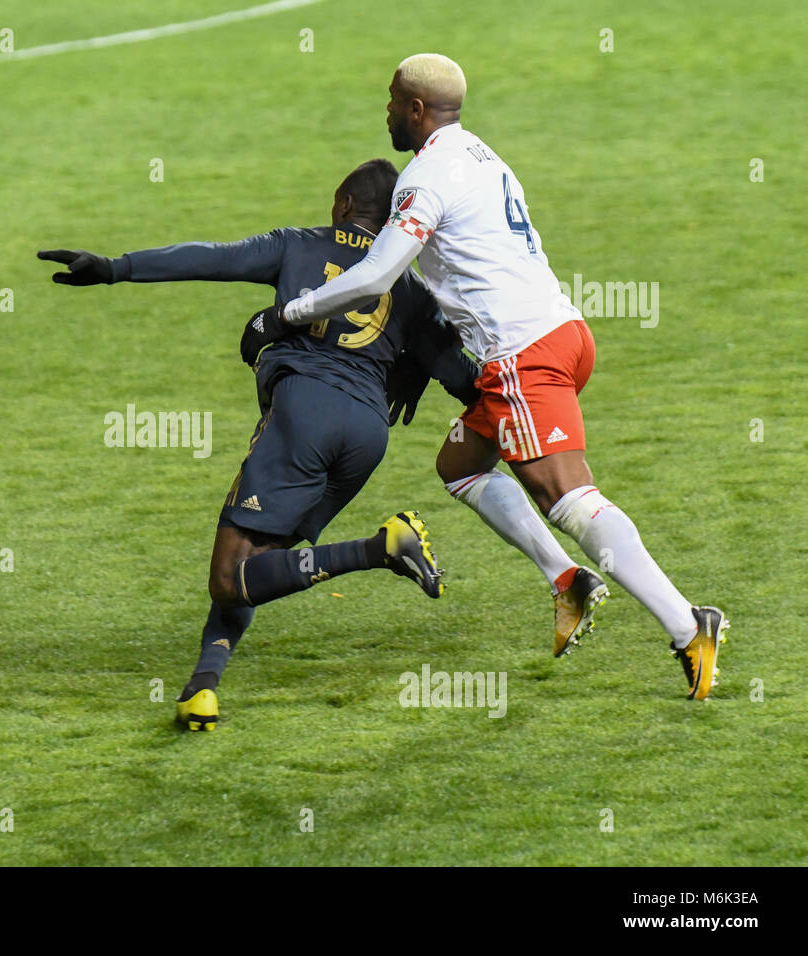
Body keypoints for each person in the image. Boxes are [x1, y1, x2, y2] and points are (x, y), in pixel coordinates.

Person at [257, 54, 727, 699]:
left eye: (394, 100)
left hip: (521, 356)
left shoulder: (423, 178)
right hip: (562, 332)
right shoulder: (481, 154)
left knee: (568, 498)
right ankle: (569, 581)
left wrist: (292, 312)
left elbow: (374, 275)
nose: (387, 110)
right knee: (461, 464)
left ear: (417, 110)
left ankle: (686, 624)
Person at [38, 158, 479, 729]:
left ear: (345, 205)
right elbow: (465, 378)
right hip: (367, 436)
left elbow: (212, 258)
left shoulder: (298, 244)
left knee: (229, 574)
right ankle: (203, 684)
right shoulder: (411, 287)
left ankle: (380, 548)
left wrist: (116, 267)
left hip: (305, 414)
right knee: (261, 567)